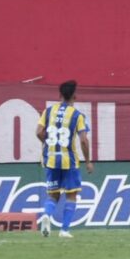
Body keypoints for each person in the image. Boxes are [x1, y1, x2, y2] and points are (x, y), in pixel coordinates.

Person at [36, 80, 93, 239]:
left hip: (51, 159)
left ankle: (47, 214)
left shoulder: (48, 111)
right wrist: (88, 161)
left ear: (59, 95)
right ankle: (64, 230)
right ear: (75, 96)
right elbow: (83, 140)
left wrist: (48, 143)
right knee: (71, 195)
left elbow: (38, 132)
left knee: (53, 195)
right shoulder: (77, 115)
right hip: (69, 161)